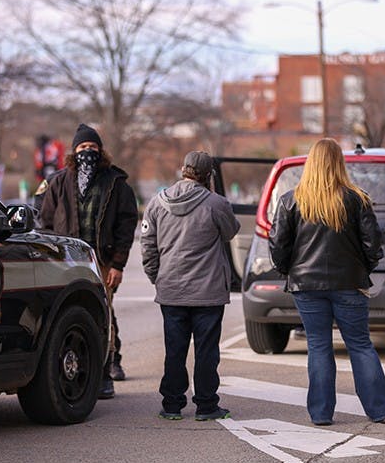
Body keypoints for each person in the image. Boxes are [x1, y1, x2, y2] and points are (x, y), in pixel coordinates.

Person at [268, 138, 385, 426]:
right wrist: (364, 268)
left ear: (310, 163)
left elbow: (278, 245)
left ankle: (322, 413)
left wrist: (289, 270)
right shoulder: (356, 198)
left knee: (319, 346)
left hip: (306, 286)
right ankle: (381, 410)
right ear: (340, 163)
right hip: (349, 282)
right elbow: (373, 243)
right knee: (360, 344)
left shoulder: (291, 200)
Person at [39, 123, 138, 398]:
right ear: (74, 151)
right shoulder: (58, 182)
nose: (88, 152)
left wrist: (117, 264)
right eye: (82, 147)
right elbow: (45, 223)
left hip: (103, 264)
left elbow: (126, 225)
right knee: (70, 318)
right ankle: (75, 374)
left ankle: (105, 374)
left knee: (101, 319)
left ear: (101, 150)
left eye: (93, 147)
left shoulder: (115, 183)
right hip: (66, 265)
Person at [141, 150, 239, 421]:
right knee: (207, 351)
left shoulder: (157, 203)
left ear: (182, 170)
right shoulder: (216, 203)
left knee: (175, 349)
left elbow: (148, 247)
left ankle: (172, 404)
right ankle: (206, 405)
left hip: (171, 290)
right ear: (208, 175)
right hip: (208, 293)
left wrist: (156, 277)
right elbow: (231, 232)